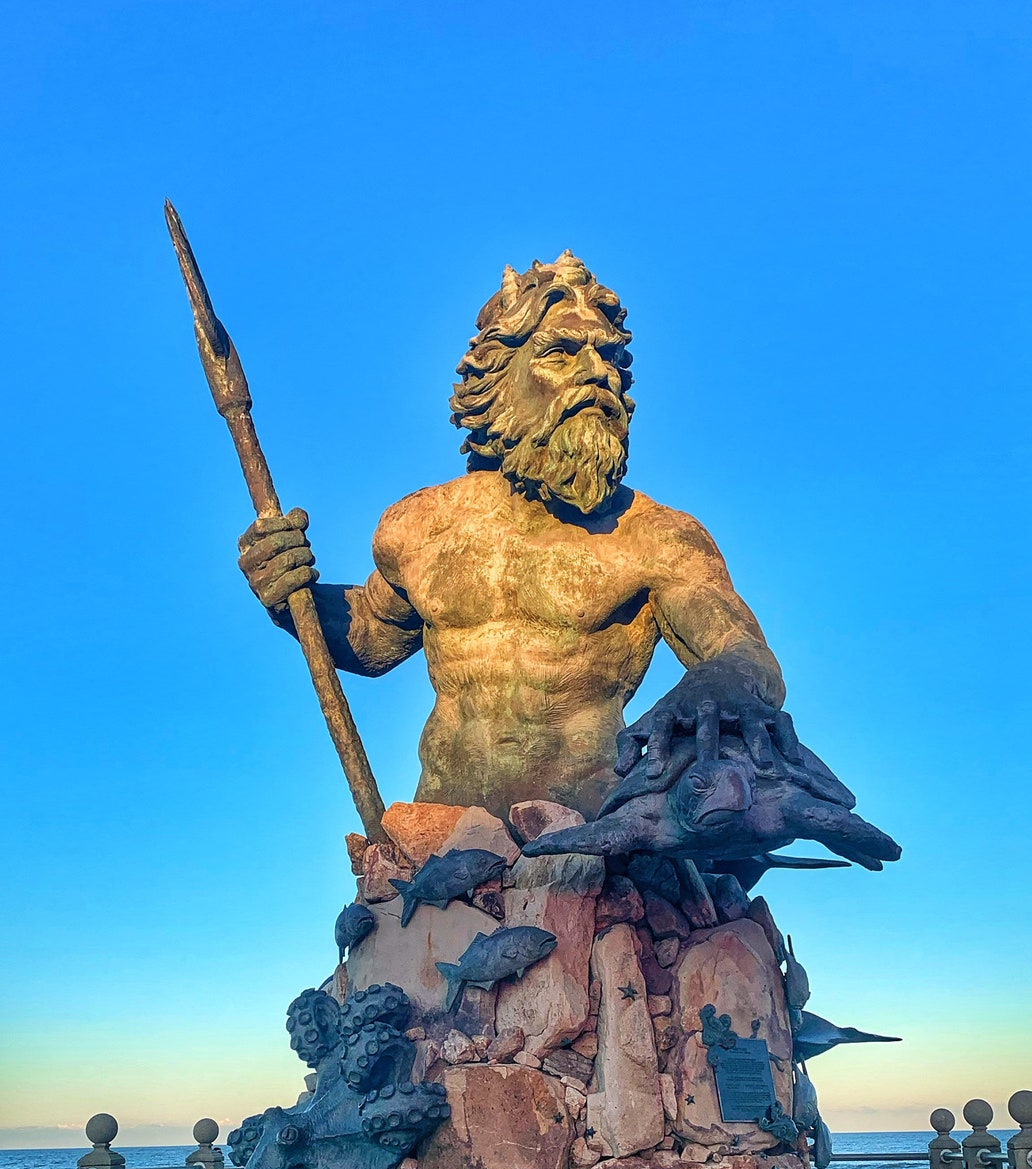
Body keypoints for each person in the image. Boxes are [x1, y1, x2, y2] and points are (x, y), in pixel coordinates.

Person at [239, 252, 799, 821]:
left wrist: (718, 680)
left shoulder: (655, 538)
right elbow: (368, 636)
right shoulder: (422, 526)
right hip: (446, 840)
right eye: (561, 352)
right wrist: (293, 598)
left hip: (591, 838)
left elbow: (745, 655)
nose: (597, 373)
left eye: (610, 357)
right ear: (499, 376)